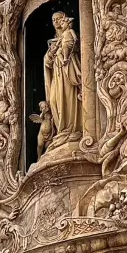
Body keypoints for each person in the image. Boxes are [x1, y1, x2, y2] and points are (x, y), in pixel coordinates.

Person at [43, 12, 82, 150]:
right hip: (57, 73)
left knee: (68, 99)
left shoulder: (70, 34)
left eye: (58, 19)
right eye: (53, 20)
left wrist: (62, 51)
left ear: (64, 19)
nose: (56, 22)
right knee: (53, 101)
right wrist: (50, 55)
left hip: (67, 70)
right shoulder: (54, 39)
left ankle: (71, 130)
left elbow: (75, 48)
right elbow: (47, 62)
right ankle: (61, 131)